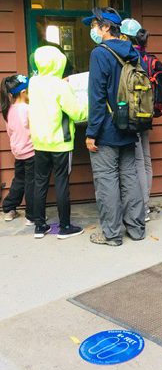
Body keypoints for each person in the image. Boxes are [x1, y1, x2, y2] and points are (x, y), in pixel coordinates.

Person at [83, 7, 145, 247]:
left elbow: (97, 97)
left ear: (106, 27)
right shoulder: (131, 52)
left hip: (107, 129)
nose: (93, 30)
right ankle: (137, 229)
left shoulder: (100, 53)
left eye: (94, 25)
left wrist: (91, 133)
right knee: (130, 177)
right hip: (130, 125)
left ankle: (111, 234)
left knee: (106, 179)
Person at [29, 46, 88, 239]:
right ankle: (64, 227)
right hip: (60, 142)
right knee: (62, 182)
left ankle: (39, 226)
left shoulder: (33, 83)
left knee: (40, 182)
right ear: (59, 62)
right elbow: (77, 113)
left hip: (39, 141)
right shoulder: (61, 86)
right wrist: (91, 107)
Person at [120, 18, 153, 222]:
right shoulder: (147, 57)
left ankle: (142, 207)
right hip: (147, 114)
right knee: (146, 159)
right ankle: (146, 204)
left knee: (137, 161)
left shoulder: (129, 57)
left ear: (124, 36)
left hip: (133, 114)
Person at [1, 75, 35, 225]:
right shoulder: (28, 109)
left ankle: (9, 209)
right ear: (23, 92)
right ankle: (32, 215)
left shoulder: (8, 110)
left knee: (19, 181)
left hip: (18, 153)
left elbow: (10, 132)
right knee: (31, 183)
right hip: (31, 152)